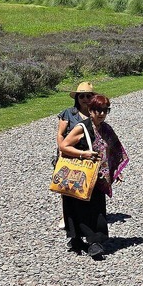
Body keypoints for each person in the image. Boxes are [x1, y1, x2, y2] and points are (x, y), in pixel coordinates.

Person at [59, 94, 128, 258]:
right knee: (77, 207)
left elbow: (113, 149)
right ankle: (78, 239)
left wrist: (115, 171)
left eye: (105, 110)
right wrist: (84, 154)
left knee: (96, 208)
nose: (101, 114)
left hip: (98, 177)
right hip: (80, 174)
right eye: (98, 110)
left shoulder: (106, 128)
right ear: (90, 110)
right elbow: (64, 146)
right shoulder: (82, 128)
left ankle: (95, 242)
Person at [55, 82, 95, 229]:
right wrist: (62, 151)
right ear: (77, 98)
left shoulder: (95, 113)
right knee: (66, 186)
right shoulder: (68, 113)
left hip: (87, 154)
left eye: (88, 96)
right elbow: (60, 134)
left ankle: (84, 216)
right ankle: (66, 216)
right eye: (81, 96)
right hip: (69, 153)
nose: (85, 99)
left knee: (85, 184)